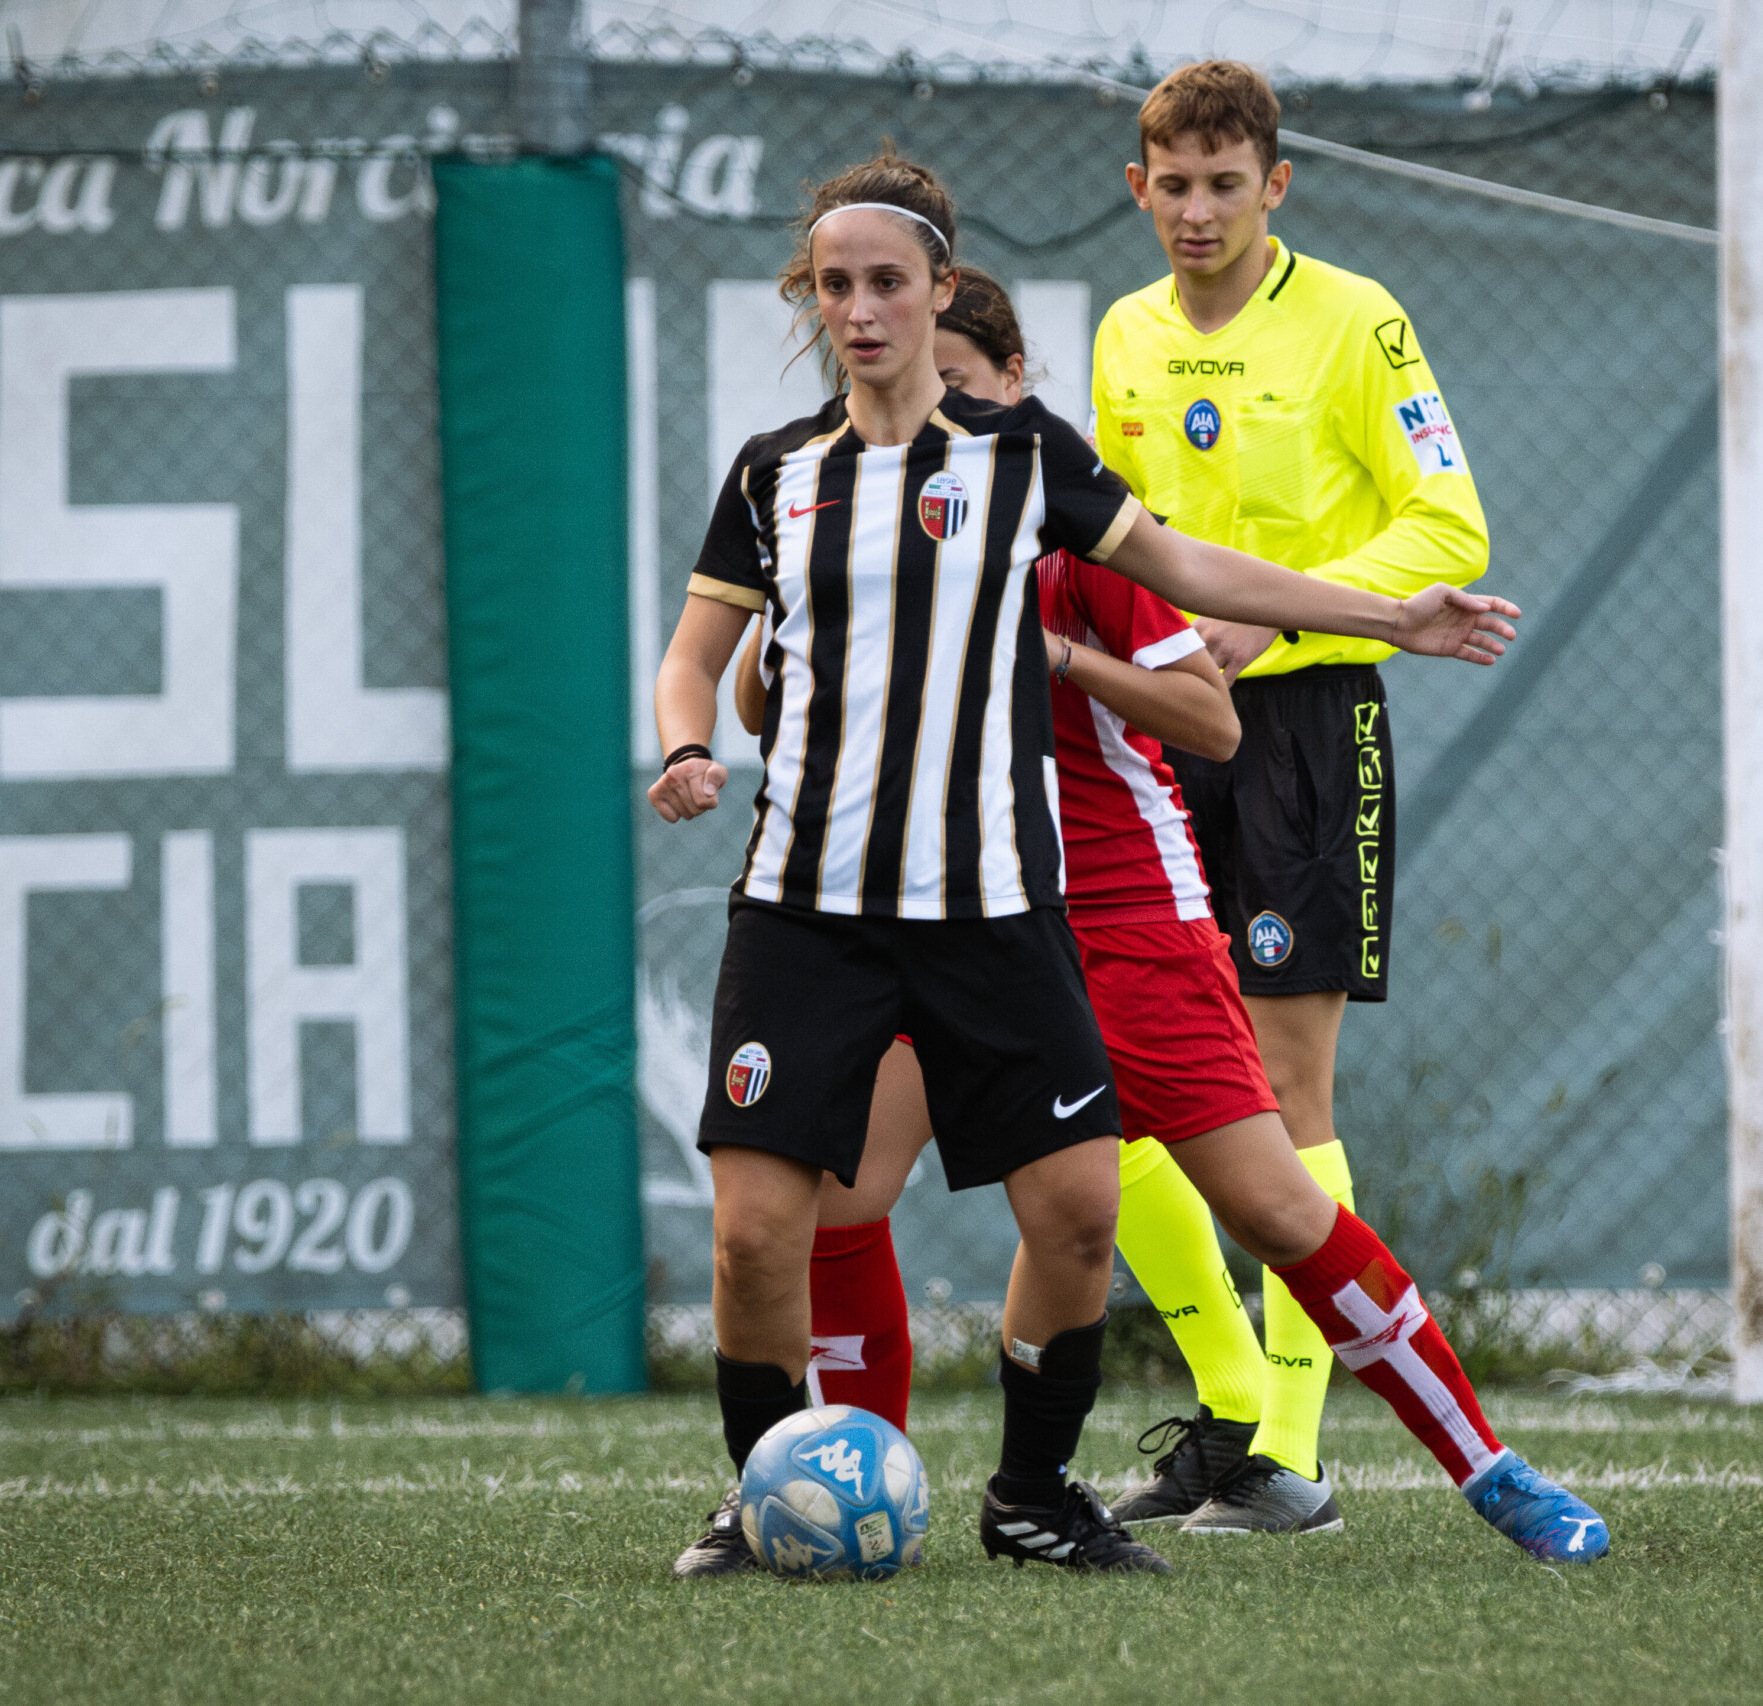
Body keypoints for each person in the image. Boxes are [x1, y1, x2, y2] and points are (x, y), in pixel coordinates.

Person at [651, 152, 1518, 1580]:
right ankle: (761, 1499)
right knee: (759, 1233)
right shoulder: (775, 476)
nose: (862, 309)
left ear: (939, 293)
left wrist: (1391, 617)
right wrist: (687, 743)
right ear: (808, 299)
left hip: (993, 905)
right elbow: (703, 658)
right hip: (805, 912)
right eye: (835, 284)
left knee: (1077, 1211)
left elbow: (1191, 571)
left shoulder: (1023, 457)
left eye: (889, 281)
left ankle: (1034, 1492)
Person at [1083, 59, 1499, 1532]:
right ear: (1139, 190)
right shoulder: (1124, 335)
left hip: (1310, 725)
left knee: (1280, 1079)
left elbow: (1448, 522)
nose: (1197, 213)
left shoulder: (1357, 319)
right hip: (1153, 735)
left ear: (1277, 184)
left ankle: (1293, 1457)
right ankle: (1233, 1404)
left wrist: (1288, 624)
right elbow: (1121, 545)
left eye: (1224, 184)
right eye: (1172, 187)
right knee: (1127, 1067)